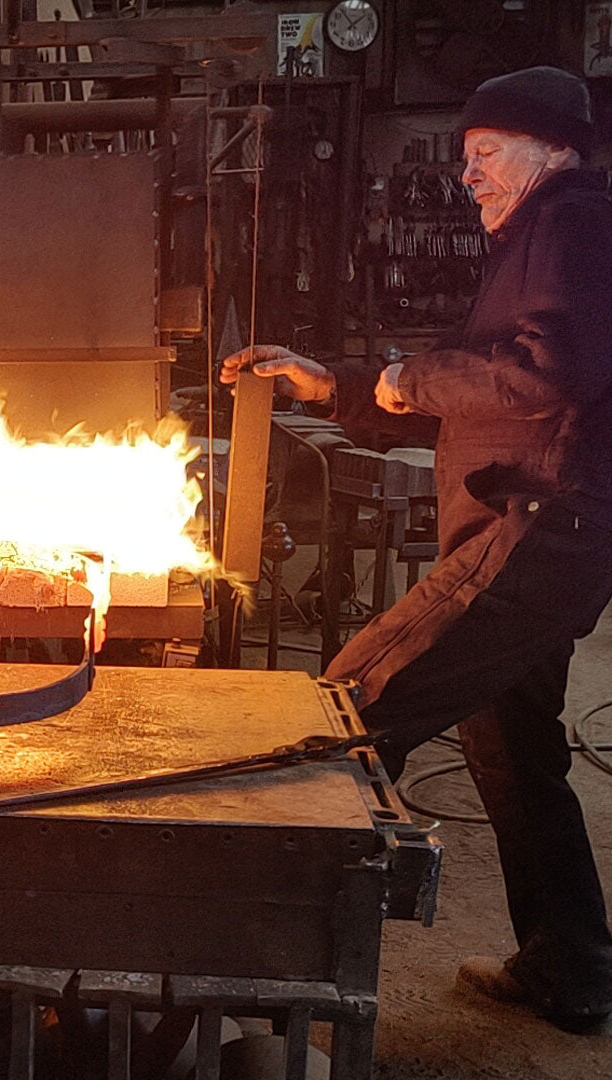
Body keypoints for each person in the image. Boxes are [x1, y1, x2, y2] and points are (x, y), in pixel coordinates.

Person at [222, 66, 612, 1032]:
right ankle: (571, 968)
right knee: (511, 746)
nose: (468, 177)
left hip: (535, 529)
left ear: (551, 148)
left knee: (353, 709)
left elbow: (543, 377)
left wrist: (407, 376)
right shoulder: (537, 240)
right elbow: (475, 396)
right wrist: (342, 386)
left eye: (484, 155)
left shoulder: (572, 225)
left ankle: (244, 967)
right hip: (532, 523)